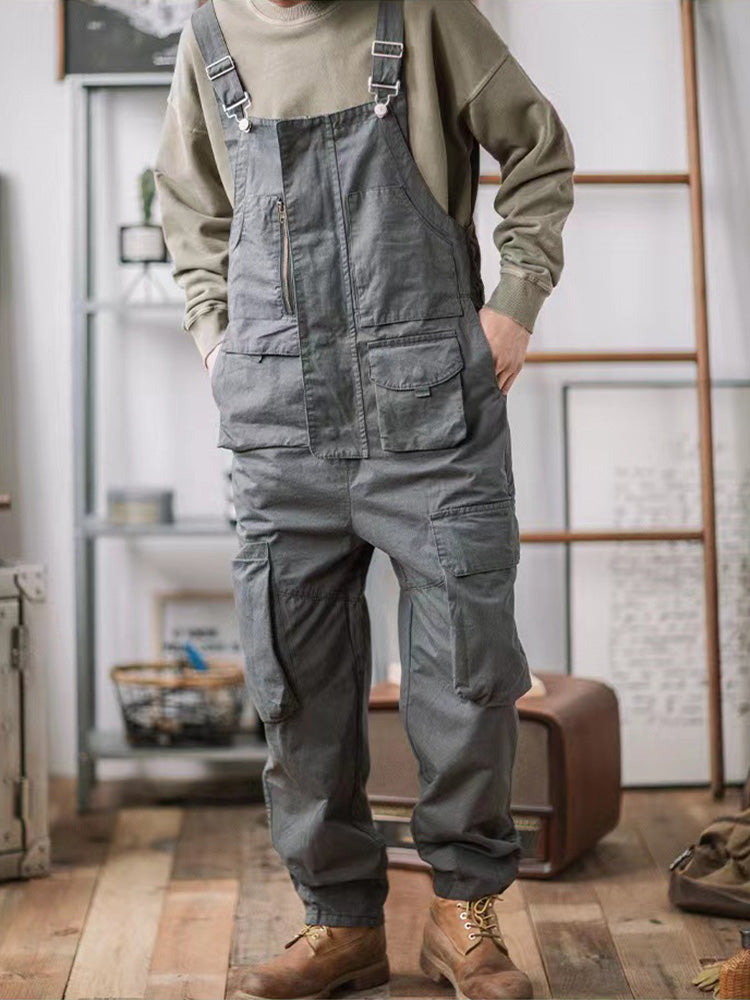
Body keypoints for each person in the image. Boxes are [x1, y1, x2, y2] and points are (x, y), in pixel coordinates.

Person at [155, 1, 574, 997]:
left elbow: (538, 147)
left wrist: (516, 304)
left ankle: (463, 918)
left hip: (433, 415)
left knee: (467, 678)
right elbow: (189, 208)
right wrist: (215, 339)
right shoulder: (209, 40)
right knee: (296, 684)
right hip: (277, 427)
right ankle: (339, 923)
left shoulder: (419, 13)